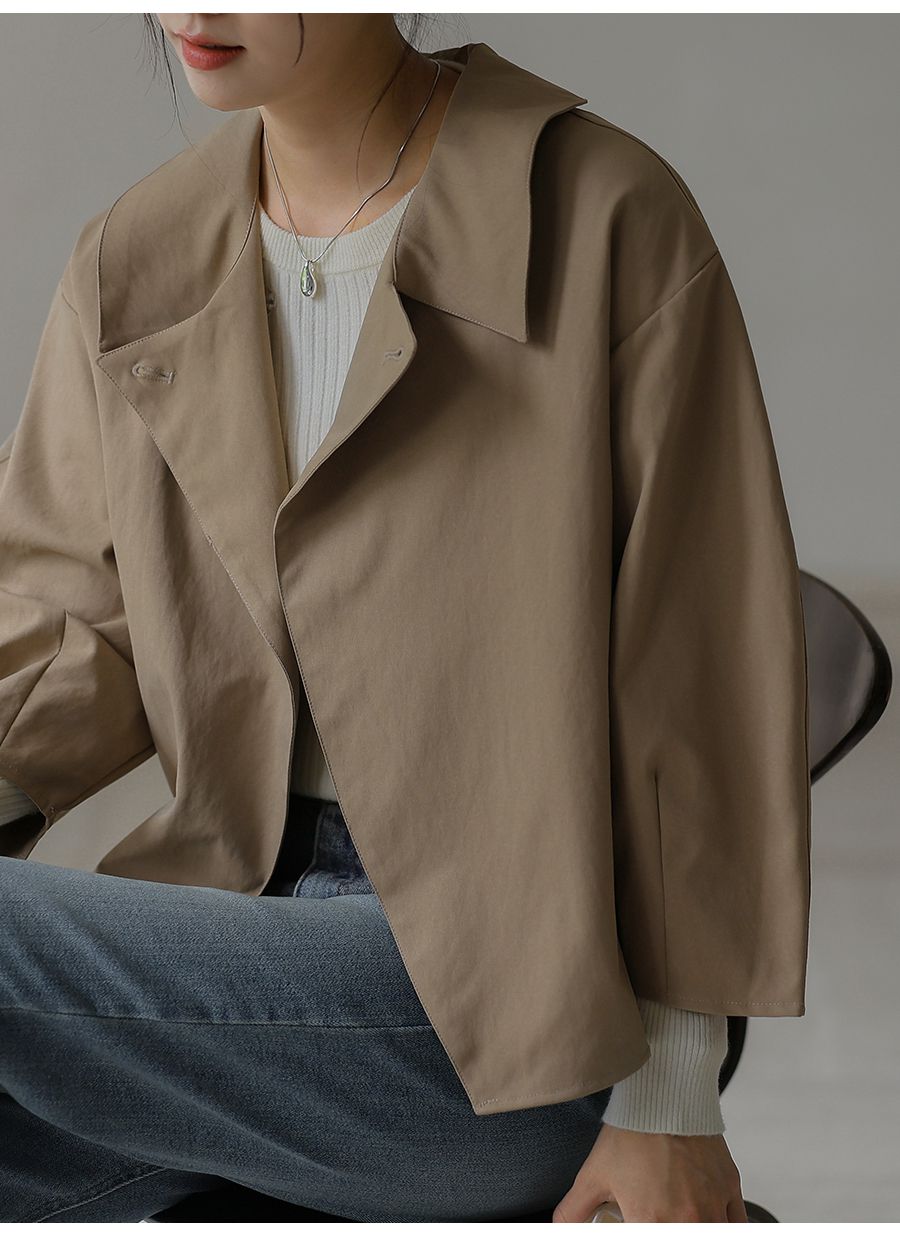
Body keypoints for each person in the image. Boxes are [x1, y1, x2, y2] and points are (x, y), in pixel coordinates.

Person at [0, 13, 810, 1224]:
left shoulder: (604, 217)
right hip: (226, 936)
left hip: (505, 1004)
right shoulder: (135, 255)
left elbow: (699, 681)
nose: (190, 12)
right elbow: (67, 626)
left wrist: (670, 1102)